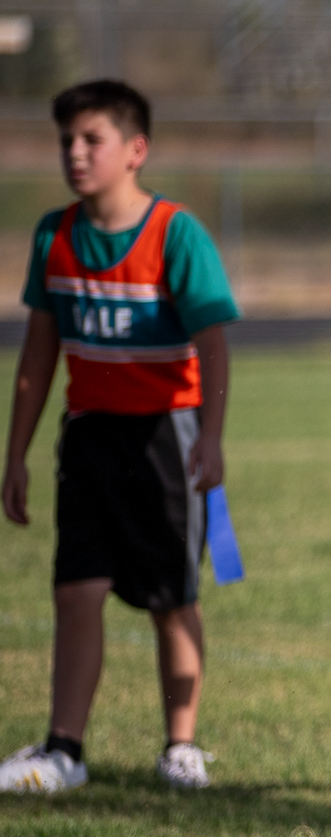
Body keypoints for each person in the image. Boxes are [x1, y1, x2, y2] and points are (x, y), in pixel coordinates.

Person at [2, 80, 239, 795]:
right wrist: (14, 453)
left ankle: (182, 746)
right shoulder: (55, 234)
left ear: (136, 150)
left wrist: (213, 437)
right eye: (66, 141)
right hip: (89, 440)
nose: (75, 153)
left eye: (91, 140)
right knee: (77, 591)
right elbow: (39, 356)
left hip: (165, 437)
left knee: (172, 595)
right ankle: (64, 748)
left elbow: (215, 345)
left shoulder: (176, 233)